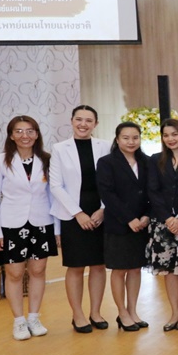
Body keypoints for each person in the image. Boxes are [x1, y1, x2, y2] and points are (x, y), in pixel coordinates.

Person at [0, 116, 58, 340]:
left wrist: (57, 230)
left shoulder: (47, 159)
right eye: (18, 131)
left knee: (38, 271)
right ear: (11, 135)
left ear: (36, 134)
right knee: (15, 273)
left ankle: (34, 318)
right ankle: (19, 321)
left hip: (42, 222)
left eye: (29, 131)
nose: (24, 136)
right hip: (11, 224)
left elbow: (53, 196)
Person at [49, 105, 112, 333]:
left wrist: (103, 209)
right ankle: (78, 315)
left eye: (88, 120)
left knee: (98, 265)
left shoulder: (105, 146)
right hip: (72, 214)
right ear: (72, 121)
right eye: (79, 119)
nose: (83, 124)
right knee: (76, 266)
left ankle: (96, 312)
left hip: (100, 213)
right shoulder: (59, 148)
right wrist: (78, 213)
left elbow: (111, 182)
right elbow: (56, 186)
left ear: (96, 124)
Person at [95, 122, 151, 332]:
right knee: (119, 270)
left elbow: (152, 191)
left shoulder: (147, 161)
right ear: (117, 139)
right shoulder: (106, 162)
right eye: (126, 138)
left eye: (135, 137)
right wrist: (129, 219)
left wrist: (146, 216)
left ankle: (133, 311)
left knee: (136, 269)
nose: (131, 142)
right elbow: (107, 194)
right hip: (118, 224)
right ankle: (122, 313)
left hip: (141, 224)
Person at [147, 119, 178, 331]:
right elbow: (152, 191)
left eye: (174, 134)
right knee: (169, 270)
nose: (171, 139)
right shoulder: (155, 160)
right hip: (163, 222)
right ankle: (175, 311)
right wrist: (168, 218)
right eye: (166, 135)